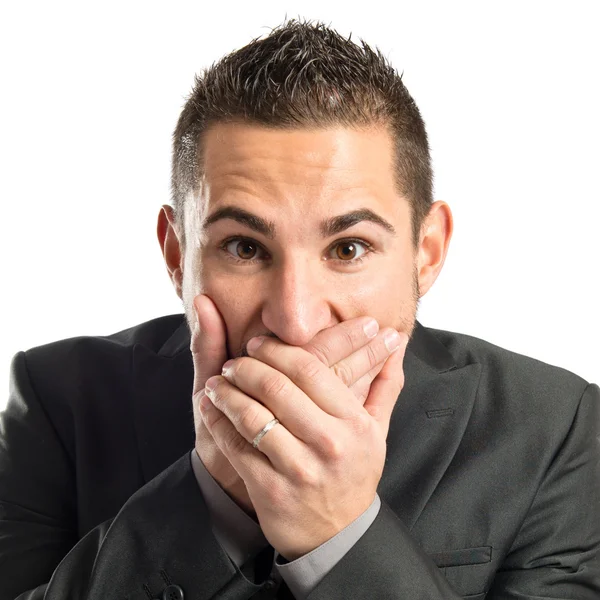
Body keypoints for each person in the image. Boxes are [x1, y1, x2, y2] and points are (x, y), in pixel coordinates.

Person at [1, 18, 598, 600]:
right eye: (244, 248)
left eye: (348, 248)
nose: (295, 320)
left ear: (426, 252)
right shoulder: (58, 400)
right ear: (177, 253)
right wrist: (212, 501)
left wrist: (342, 534)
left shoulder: (557, 427)